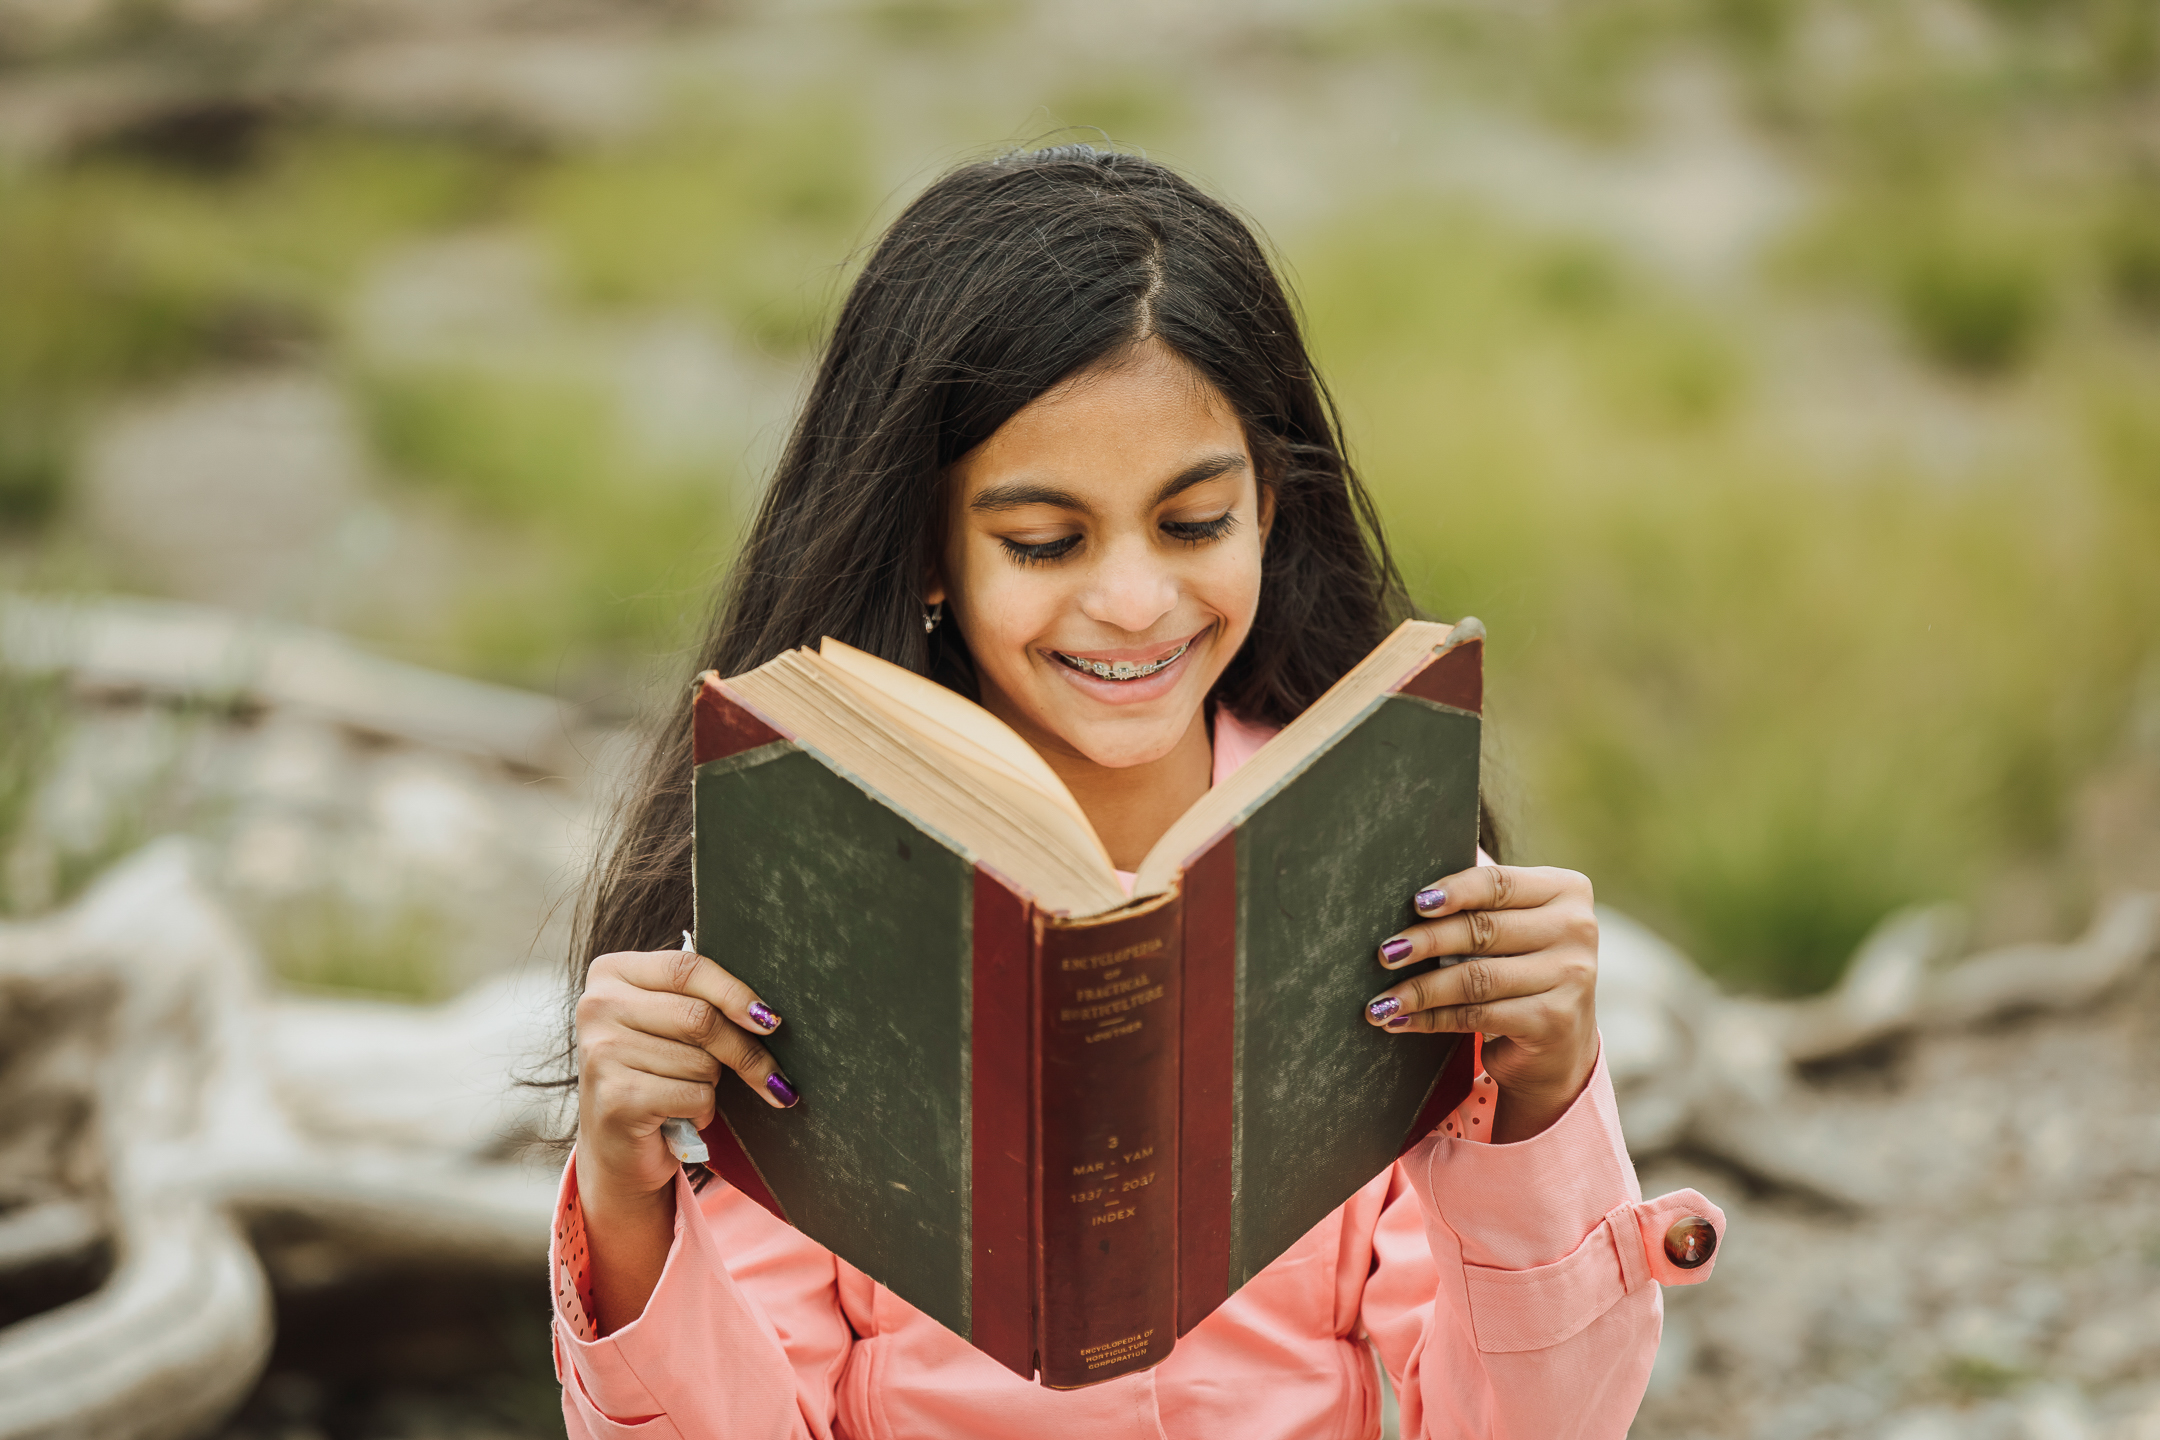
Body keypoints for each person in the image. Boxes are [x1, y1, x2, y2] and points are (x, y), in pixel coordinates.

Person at [552, 145, 1723, 1440]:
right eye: (1045, 542)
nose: (1131, 603)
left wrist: (1544, 1108)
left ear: (1271, 510)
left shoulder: (1360, 849)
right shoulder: (814, 879)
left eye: (1194, 523)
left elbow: (1530, 1426)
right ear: (928, 550)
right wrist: (627, 1202)